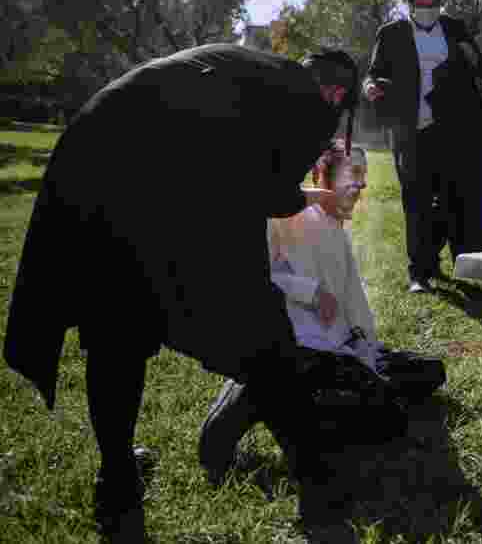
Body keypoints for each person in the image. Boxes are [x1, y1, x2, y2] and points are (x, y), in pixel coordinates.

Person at [3, 43, 360, 540]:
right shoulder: (306, 100)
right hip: (171, 166)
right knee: (263, 337)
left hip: (95, 143)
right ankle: (320, 490)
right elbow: (268, 193)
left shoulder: (253, 69)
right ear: (335, 93)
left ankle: (118, 483)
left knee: (116, 330)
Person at [198, 143, 446, 485]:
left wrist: (368, 351)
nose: (361, 186)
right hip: (299, 346)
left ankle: (311, 399)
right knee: (388, 418)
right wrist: (310, 291)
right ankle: (258, 394)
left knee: (429, 373)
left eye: (364, 176)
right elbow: (257, 271)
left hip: (343, 346)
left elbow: (352, 307)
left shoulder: (335, 226)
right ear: (319, 177)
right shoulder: (288, 216)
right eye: (353, 174)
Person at [362, 0, 482, 294]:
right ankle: (419, 272)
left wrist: (470, 54)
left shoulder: (454, 28)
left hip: (451, 128)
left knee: (452, 197)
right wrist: (371, 88)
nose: (427, 7)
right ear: (410, 3)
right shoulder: (391, 33)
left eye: (432, 2)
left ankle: (464, 263)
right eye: (421, 2)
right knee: (416, 199)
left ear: (439, 2)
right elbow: (373, 74)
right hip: (410, 128)